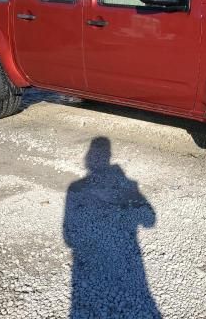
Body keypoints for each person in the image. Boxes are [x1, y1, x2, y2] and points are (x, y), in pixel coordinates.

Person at [63, 136, 160, 318]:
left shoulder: (75, 188)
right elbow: (149, 220)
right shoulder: (128, 185)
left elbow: (69, 237)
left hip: (87, 273)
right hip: (130, 268)